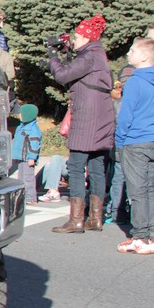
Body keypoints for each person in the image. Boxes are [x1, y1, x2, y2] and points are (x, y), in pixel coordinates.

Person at [48, 14, 114, 233]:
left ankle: (76, 219)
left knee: (75, 166)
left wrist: (52, 57)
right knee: (96, 166)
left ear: (87, 37)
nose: (74, 40)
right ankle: (95, 218)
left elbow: (64, 76)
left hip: (87, 118)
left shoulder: (89, 56)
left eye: (76, 36)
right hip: (102, 118)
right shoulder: (98, 55)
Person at [114, 37, 154, 253]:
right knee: (151, 187)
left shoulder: (135, 82)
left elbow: (125, 117)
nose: (127, 54)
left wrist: (119, 142)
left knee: (138, 190)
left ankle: (140, 235)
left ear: (143, 56)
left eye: (132, 50)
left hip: (135, 141)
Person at [104, 64, 135, 225]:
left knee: (119, 180)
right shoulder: (141, 101)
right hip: (136, 147)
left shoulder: (117, 104)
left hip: (120, 149)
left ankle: (117, 212)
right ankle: (134, 212)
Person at [12, 104, 42, 205]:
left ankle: (31, 198)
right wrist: (15, 157)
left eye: (21, 114)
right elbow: (17, 144)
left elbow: (34, 145)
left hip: (28, 159)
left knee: (28, 178)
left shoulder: (33, 129)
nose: (19, 115)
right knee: (21, 179)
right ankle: (22, 196)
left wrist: (32, 158)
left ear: (27, 115)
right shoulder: (20, 127)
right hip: (21, 158)